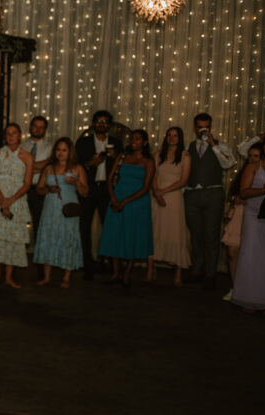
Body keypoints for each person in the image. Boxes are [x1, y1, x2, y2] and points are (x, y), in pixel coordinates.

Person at [184, 113, 238, 290]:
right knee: (196, 234)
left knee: (211, 235)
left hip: (213, 194)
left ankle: (210, 274)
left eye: (206, 127)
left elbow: (229, 163)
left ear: (211, 127)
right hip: (192, 194)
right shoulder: (189, 146)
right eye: (199, 127)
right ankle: (197, 270)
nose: (202, 130)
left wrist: (213, 145)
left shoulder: (220, 145)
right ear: (195, 127)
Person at [98, 129, 155, 286]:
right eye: (131, 138)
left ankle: (127, 273)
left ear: (144, 142)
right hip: (117, 198)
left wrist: (125, 202)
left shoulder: (148, 161)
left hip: (137, 201)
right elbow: (110, 179)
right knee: (114, 234)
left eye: (137, 139)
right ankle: (115, 273)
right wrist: (114, 199)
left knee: (132, 236)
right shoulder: (122, 157)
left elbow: (146, 187)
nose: (133, 141)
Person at [0, 123, 33, 288]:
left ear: (20, 136)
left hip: (16, 200)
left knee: (12, 238)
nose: (11, 136)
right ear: (5, 137)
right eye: (8, 134)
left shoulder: (27, 157)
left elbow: (27, 183)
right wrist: (2, 199)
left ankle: (9, 277)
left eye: (14, 133)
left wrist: (10, 200)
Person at [33, 137, 88, 288]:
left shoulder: (77, 168)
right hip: (50, 207)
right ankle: (46, 277)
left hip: (68, 209)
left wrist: (76, 182)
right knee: (48, 237)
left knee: (67, 238)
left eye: (64, 150)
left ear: (70, 152)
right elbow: (39, 188)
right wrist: (48, 189)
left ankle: (66, 278)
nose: (60, 153)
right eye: (58, 150)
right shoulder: (49, 168)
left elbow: (85, 192)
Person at [75, 111, 123, 280]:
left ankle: (111, 266)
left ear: (109, 125)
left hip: (107, 191)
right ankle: (87, 266)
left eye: (105, 121)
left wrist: (115, 157)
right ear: (94, 123)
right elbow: (75, 164)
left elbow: (123, 166)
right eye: (99, 121)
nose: (102, 124)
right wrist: (90, 164)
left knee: (110, 228)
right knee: (84, 228)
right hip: (88, 189)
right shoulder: (83, 142)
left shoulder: (117, 144)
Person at [147, 127, 192, 285]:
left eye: (175, 136)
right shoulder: (158, 154)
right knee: (155, 230)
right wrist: (156, 192)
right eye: (170, 135)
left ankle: (178, 272)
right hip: (157, 195)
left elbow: (183, 180)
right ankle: (151, 269)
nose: (172, 138)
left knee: (175, 232)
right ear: (166, 137)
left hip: (173, 197)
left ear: (180, 138)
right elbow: (152, 175)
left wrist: (163, 191)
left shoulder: (185, 156)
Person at [231, 142, 265, 314]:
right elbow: (244, 192)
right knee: (252, 255)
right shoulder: (254, 166)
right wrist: (263, 189)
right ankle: (250, 298)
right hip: (254, 215)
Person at [221, 146, 261, 301]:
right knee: (232, 251)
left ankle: (252, 289)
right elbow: (233, 194)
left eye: (256, 156)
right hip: (240, 214)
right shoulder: (245, 172)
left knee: (253, 255)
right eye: (250, 156)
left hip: (257, 215)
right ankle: (235, 287)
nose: (252, 159)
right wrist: (235, 200)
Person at [24, 116, 52, 276]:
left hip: (39, 189)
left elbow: (48, 166)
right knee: (20, 223)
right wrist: (38, 166)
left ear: (45, 129)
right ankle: (17, 259)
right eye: (35, 126)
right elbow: (20, 166)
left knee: (40, 225)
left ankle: (41, 263)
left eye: (41, 127)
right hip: (22, 188)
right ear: (30, 127)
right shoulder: (22, 145)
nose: (38, 130)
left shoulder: (50, 147)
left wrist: (29, 166)